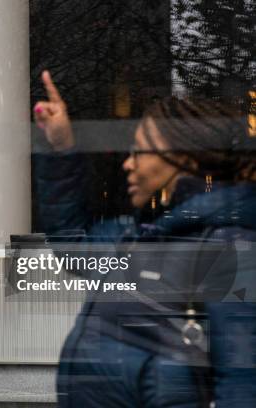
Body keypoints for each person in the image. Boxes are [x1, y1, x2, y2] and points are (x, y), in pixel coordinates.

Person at [34, 70, 256, 407]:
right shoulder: (136, 235)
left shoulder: (232, 250)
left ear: (182, 155)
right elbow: (71, 242)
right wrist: (62, 147)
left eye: (139, 150)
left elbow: (242, 385)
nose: (127, 163)